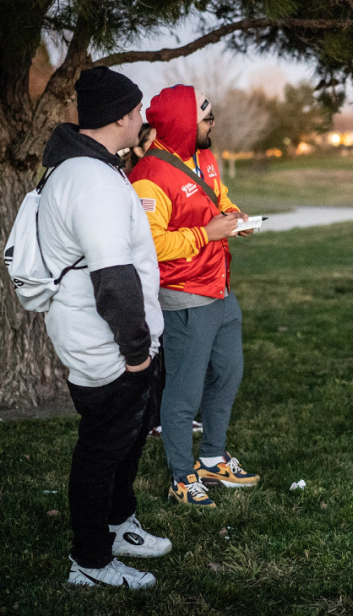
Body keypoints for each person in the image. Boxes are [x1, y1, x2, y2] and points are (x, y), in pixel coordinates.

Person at [37, 66, 170, 588]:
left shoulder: (90, 167)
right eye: (137, 109)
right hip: (108, 345)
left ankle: (118, 525)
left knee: (124, 440)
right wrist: (138, 352)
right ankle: (90, 561)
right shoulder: (91, 180)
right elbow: (113, 281)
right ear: (120, 115)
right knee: (102, 448)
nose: (142, 118)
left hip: (111, 340)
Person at [130, 85, 260, 509]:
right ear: (185, 124)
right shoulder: (149, 177)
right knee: (183, 394)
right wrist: (208, 234)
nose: (213, 123)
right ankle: (181, 477)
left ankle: (212, 457)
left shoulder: (203, 156)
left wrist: (236, 218)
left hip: (219, 286)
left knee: (228, 374)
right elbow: (148, 246)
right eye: (206, 118)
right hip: (185, 296)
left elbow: (217, 200)